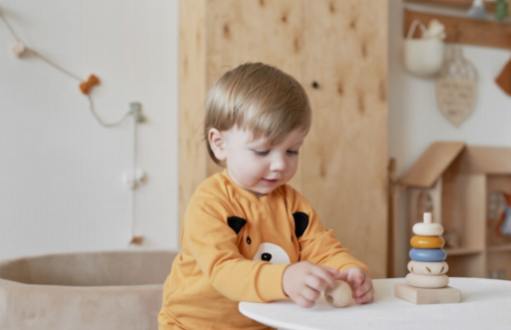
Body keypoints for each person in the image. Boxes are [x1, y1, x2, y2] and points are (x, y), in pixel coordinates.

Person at [158, 62, 374, 330]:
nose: (280, 164)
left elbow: (323, 248)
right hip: (193, 325)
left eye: (292, 151)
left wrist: (349, 269)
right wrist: (284, 279)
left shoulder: (293, 204)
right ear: (219, 143)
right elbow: (224, 271)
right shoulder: (209, 203)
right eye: (262, 152)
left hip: (265, 324)